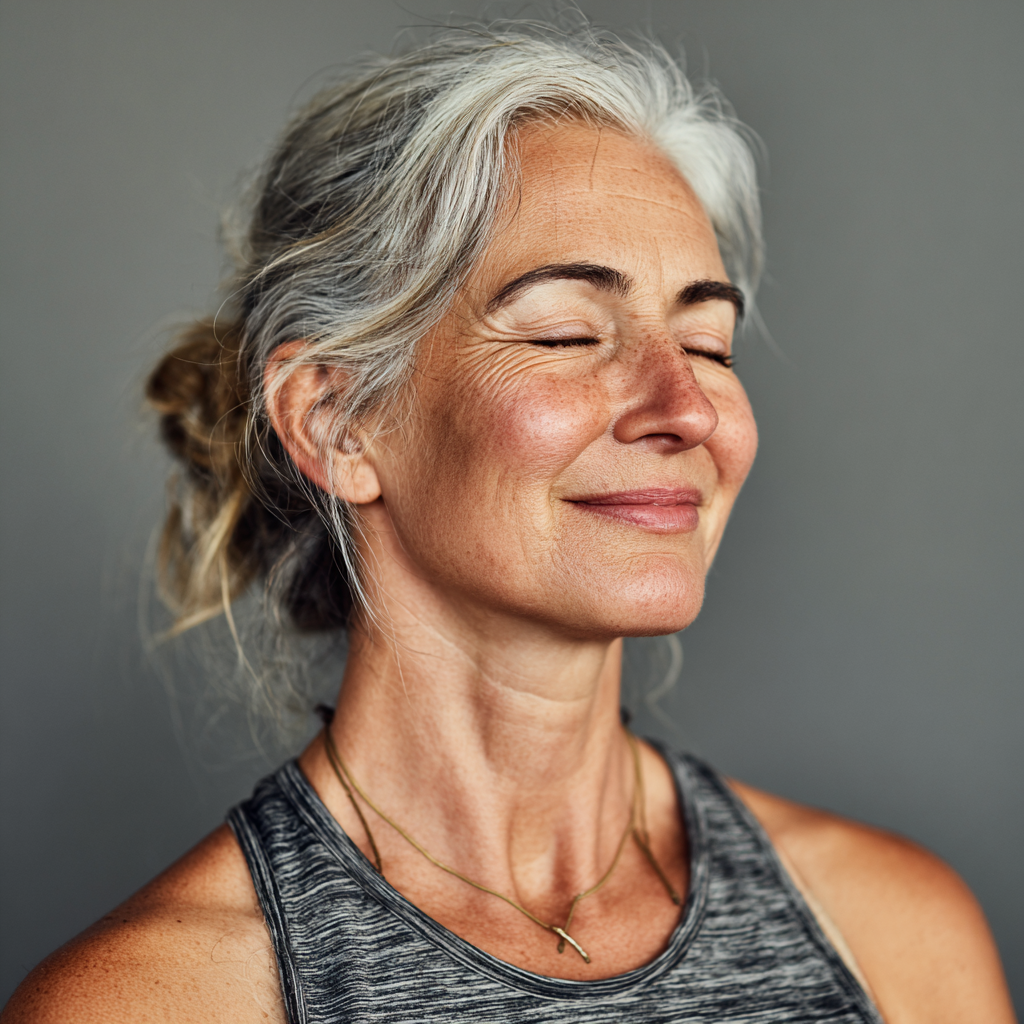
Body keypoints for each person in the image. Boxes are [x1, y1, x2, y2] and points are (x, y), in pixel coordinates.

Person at [4, 21, 1014, 1024]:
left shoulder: (893, 933)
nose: (687, 406)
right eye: (568, 332)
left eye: (707, 343)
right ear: (338, 422)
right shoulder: (152, 1002)